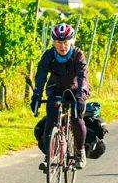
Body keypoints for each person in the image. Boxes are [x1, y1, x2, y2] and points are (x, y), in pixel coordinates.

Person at [31, 22, 90, 170]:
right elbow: (41, 76)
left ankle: (79, 152)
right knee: (51, 119)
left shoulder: (78, 55)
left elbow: (83, 76)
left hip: (76, 88)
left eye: (65, 42)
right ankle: (49, 155)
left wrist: (81, 96)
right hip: (56, 88)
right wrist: (36, 94)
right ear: (53, 42)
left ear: (72, 41)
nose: (62, 46)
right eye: (58, 43)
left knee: (76, 119)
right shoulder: (49, 55)